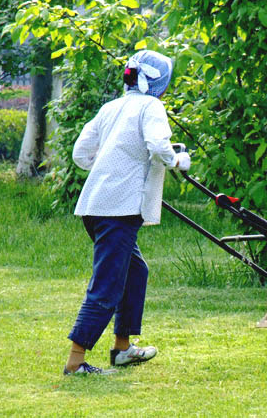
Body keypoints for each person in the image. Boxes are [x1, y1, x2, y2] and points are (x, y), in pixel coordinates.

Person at [63, 50, 191, 375]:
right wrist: (177, 161)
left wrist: (107, 169)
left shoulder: (111, 107)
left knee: (136, 272)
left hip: (96, 206)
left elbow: (80, 153)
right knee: (107, 283)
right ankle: (75, 362)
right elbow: (159, 146)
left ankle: (122, 349)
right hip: (118, 209)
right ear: (159, 82)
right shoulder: (152, 107)